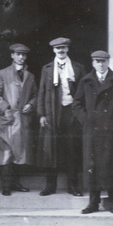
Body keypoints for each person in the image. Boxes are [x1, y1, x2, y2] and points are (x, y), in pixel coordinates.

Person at [72, 50, 113, 216]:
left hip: (111, 130)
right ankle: (93, 202)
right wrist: (85, 119)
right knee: (93, 165)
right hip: (92, 130)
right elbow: (76, 103)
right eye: (97, 61)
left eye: (103, 61)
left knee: (112, 165)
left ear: (108, 62)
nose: (100, 64)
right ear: (92, 63)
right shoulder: (85, 81)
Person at [37, 37, 85, 196]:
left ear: (68, 49)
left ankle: (73, 186)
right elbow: (42, 92)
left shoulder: (78, 68)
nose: (61, 51)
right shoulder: (47, 69)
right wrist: (42, 114)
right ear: (53, 50)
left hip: (71, 113)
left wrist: (81, 114)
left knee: (72, 150)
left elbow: (83, 93)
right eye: (58, 48)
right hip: (52, 113)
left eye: (64, 47)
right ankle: (50, 186)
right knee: (51, 150)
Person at [0, 43, 38, 196]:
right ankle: (6, 185)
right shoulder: (2, 74)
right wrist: (6, 109)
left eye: (24, 55)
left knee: (19, 153)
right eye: (18, 54)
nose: (21, 57)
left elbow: (36, 95)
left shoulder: (30, 76)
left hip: (22, 120)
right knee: (6, 153)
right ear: (12, 55)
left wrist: (31, 104)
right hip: (8, 120)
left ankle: (16, 183)